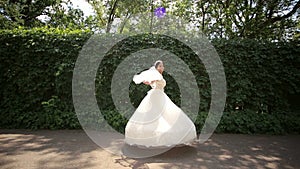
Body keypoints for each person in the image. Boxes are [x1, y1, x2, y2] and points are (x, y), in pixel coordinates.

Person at [124, 60, 197, 148]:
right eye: (160, 66)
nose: (162, 67)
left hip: (160, 95)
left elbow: (149, 82)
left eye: (162, 66)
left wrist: (149, 80)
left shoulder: (158, 76)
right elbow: (149, 81)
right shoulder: (156, 76)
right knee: (154, 114)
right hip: (156, 96)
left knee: (165, 114)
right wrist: (147, 80)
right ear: (156, 67)